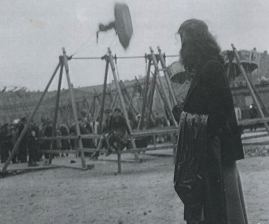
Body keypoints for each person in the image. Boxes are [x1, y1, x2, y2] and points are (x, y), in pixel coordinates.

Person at [173, 19, 248, 224]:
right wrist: (184, 113)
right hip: (210, 152)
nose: (183, 48)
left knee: (224, 209)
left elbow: (221, 111)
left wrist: (195, 125)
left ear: (196, 43)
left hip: (218, 154)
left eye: (185, 42)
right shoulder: (204, 69)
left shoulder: (212, 68)